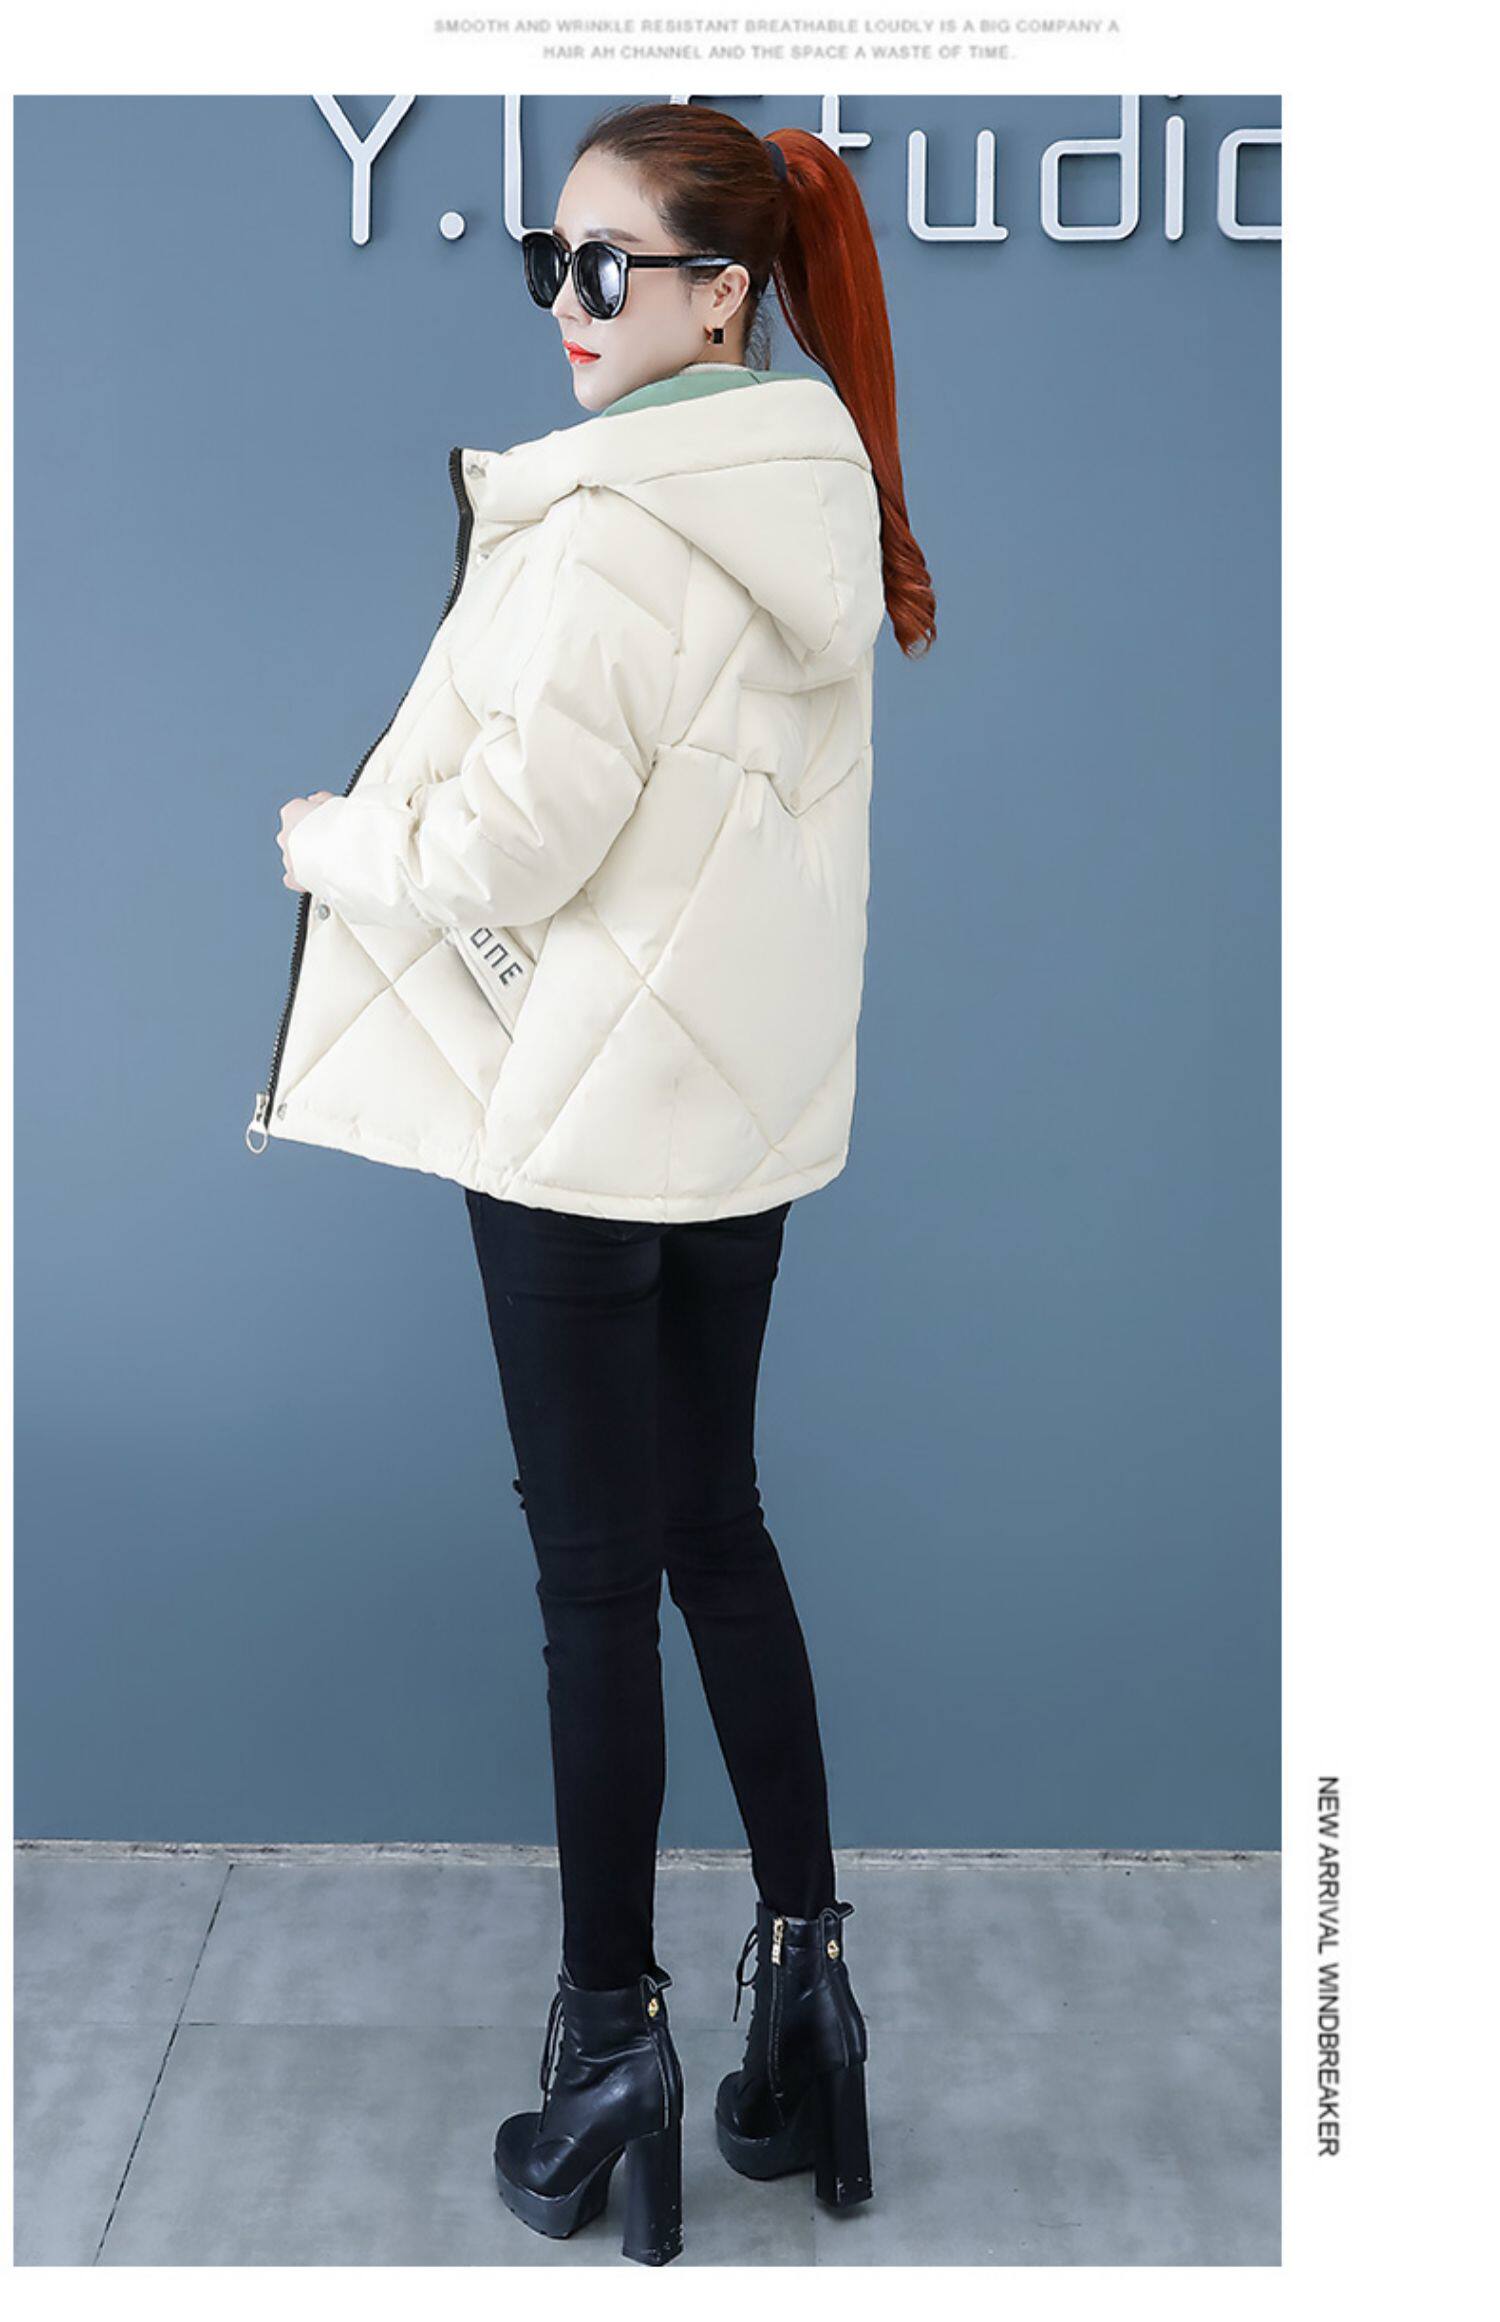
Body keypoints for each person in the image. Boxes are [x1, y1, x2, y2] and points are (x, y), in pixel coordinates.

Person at [263, 99, 936, 2265]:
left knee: (591, 1587)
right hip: (737, 1127)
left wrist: (330, 842)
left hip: (574, 1131)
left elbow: (506, 848)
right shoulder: (820, 504)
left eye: (604, 266)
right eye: (546, 261)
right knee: (716, 1527)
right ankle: (809, 1992)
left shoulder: (611, 526)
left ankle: (609, 2037)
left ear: (720, 294)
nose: (565, 303)